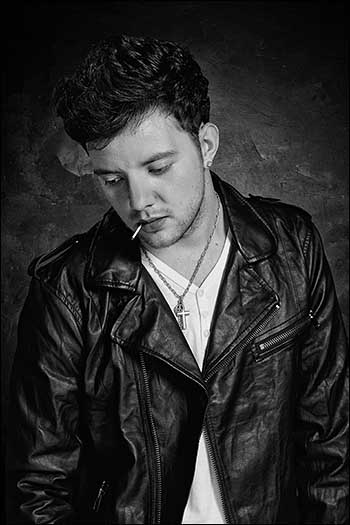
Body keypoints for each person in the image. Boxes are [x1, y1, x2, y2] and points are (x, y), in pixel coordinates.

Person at [7, 34, 348, 525]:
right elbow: (37, 487)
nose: (138, 199)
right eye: (111, 179)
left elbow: (331, 446)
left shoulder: (293, 247)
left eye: (158, 167)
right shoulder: (67, 289)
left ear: (206, 145)